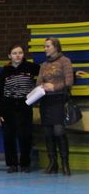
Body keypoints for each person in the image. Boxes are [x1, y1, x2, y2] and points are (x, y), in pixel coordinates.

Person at [0, 44, 40, 173]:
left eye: (20, 52)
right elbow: (0, 93)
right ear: (10, 56)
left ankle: (25, 163)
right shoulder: (4, 71)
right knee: (9, 136)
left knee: (25, 135)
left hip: (24, 106)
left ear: (23, 54)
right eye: (14, 53)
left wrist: (71, 73)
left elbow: (47, 73)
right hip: (8, 107)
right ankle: (12, 164)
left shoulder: (31, 67)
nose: (17, 55)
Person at [36, 37, 74, 176]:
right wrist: (42, 86)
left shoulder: (65, 61)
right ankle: (53, 162)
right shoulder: (43, 65)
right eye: (44, 46)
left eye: (47, 46)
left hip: (59, 100)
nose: (45, 49)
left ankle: (65, 162)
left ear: (55, 47)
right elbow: (38, 83)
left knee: (59, 131)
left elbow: (69, 82)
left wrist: (54, 87)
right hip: (46, 102)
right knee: (47, 133)